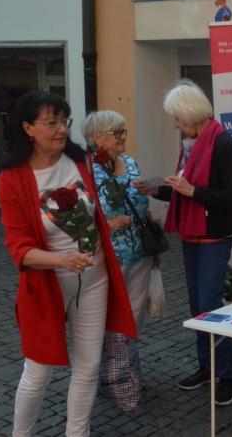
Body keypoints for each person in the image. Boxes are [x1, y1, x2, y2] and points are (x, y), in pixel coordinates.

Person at [0, 91, 137, 437]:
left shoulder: (80, 161)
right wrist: (60, 259)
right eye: (52, 122)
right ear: (28, 128)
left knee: (88, 367)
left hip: (95, 279)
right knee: (39, 370)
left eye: (64, 121)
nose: (61, 129)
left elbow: (96, 213)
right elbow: (19, 248)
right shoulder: (13, 178)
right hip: (48, 285)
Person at [136, 78, 232, 406]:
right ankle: (207, 367)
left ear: (189, 112)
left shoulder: (222, 143)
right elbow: (184, 192)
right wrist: (158, 190)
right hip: (192, 233)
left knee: (210, 305)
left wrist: (192, 191)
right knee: (198, 306)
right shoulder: (191, 142)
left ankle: (229, 376)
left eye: (176, 117)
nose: (175, 124)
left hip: (213, 236)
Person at [83, 110, 155, 332]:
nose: (123, 137)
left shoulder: (131, 163)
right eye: (117, 132)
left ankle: (128, 353)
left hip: (140, 253)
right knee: (110, 316)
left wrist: (153, 242)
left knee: (135, 316)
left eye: (124, 131)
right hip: (109, 257)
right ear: (97, 137)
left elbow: (143, 205)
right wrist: (109, 225)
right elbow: (79, 220)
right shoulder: (87, 171)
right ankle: (112, 354)